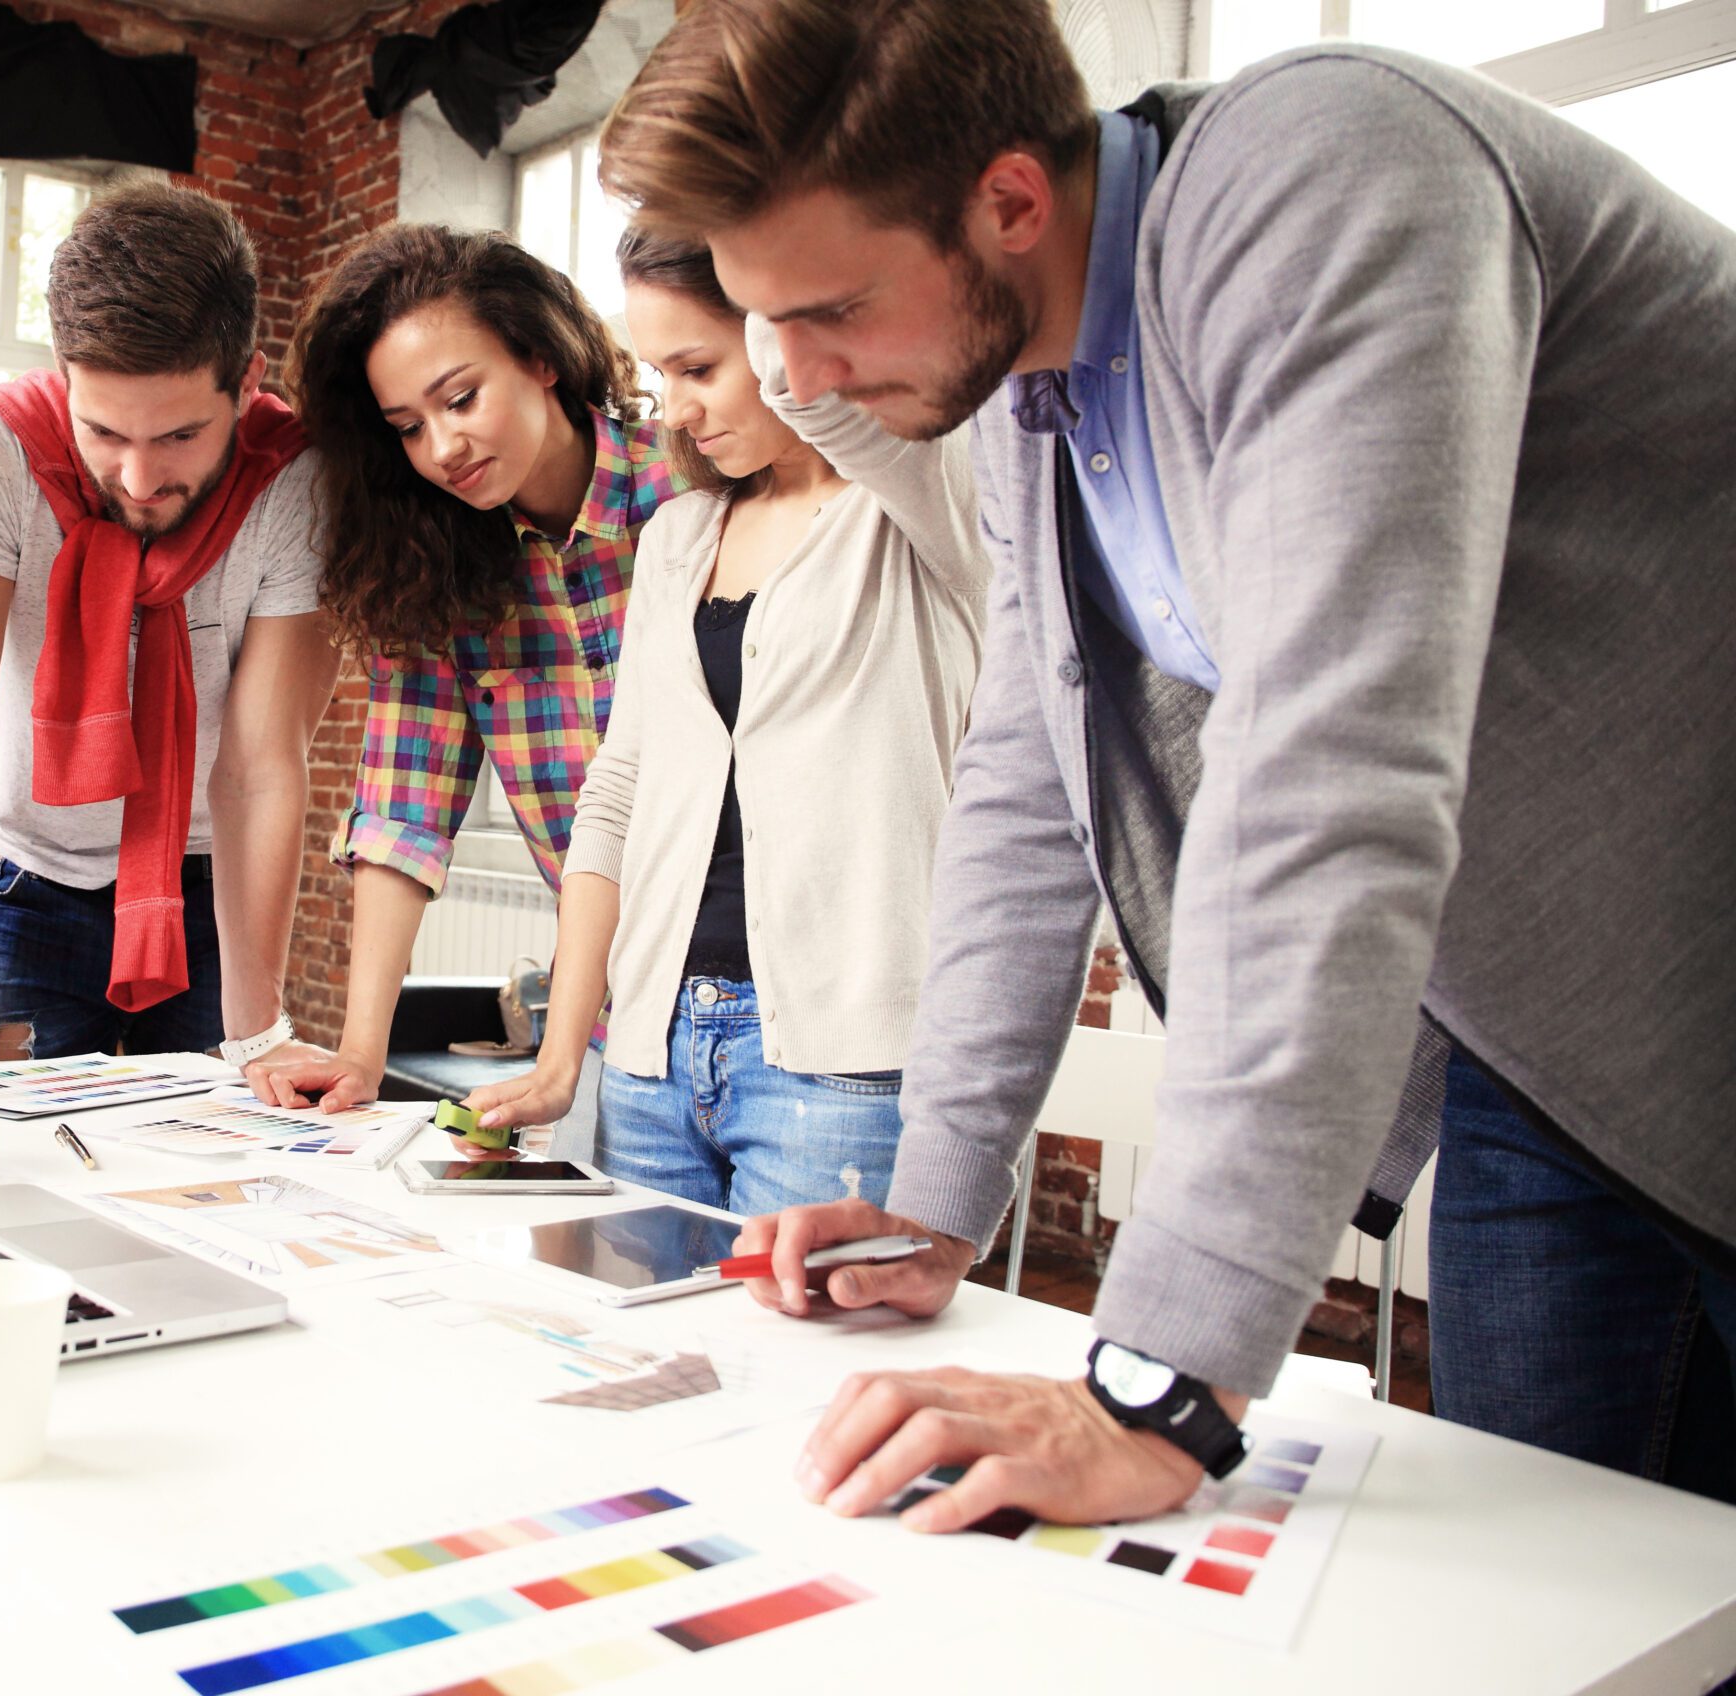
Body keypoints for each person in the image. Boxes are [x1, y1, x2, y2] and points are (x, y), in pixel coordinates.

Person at [601, 0, 1736, 1529]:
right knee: (1554, 1585)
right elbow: (1022, 789)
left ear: (1008, 200)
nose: (792, 374)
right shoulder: (1026, 396)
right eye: (760, 320)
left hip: (1698, 943)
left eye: (835, 308)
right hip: (1547, 1042)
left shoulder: (1329, 178)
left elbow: (1332, 781)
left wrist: (1163, 1382)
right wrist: (935, 1198)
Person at [457, 229, 988, 1213]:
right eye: (660, 373)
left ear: (789, 328)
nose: (677, 409)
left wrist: (781, 253)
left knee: (806, 1368)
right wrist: (562, 1053)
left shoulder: (924, 509)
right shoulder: (678, 536)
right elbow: (613, 799)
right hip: (654, 1059)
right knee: (655, 1365)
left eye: (698, 365)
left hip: (843, 1071)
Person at [0, 185, 334, 1067]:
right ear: (64, 377)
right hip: (35, 885)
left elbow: (258, 769)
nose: (139, 478)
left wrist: (258, 1034)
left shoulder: (294, 479)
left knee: (212, 1180)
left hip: (214, 892)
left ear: (247, 381)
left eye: (179, 436)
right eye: (104, 431)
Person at [243, 225, 679, 1118]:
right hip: (608, 1020)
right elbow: (404, 812)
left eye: (461, 398)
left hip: (772, 987)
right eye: (408, 426)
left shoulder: (690, 490)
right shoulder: (433, 571)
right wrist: (363, 1055)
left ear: (540, 357)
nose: (441, 447)